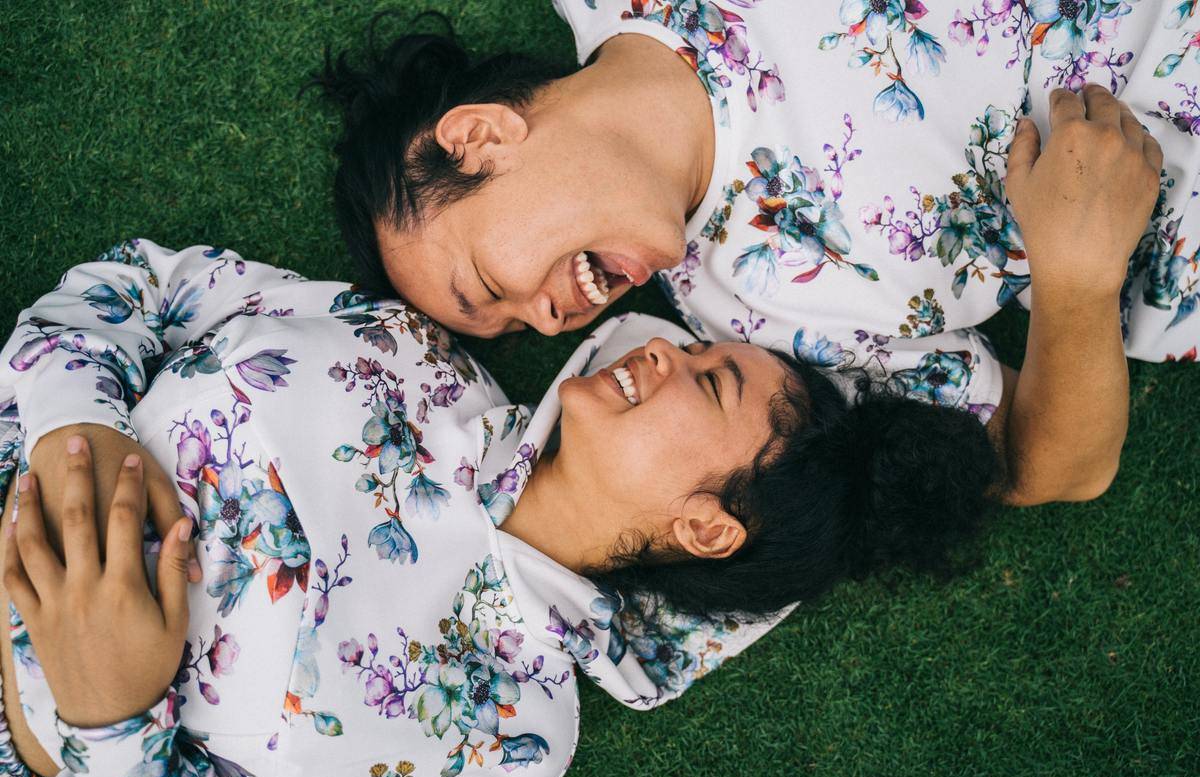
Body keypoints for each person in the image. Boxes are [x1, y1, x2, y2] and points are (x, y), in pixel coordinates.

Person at [0, 240, 994, 777]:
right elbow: (142, 289)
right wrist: (69, 428)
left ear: (709, 525)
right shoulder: (413, 350)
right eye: (695, 347)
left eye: (711, 379)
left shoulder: (513, 735)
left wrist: (112, 720)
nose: (666, 353)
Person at [313, 2, 1187, 505]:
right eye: (513, 327)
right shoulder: (767, 321)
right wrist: (1080, 278)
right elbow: (1046, 469)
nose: (544, 319)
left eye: (486, 286)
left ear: (480, 138)